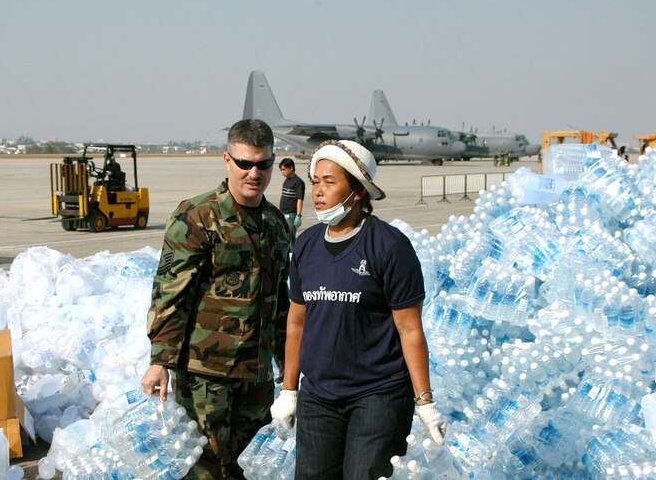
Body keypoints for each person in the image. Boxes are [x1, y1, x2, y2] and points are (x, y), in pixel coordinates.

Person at [269, 140, 446, 479]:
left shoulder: (389, 246)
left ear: (359, 190)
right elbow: (296, 322)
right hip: (319, 396)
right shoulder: (306, 245)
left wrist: (424, 401)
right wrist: (289, 390)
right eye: (316, 181)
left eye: (330, 182)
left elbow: (409, 329)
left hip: (377, 396)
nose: (318, 191)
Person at [141, 119, 291, 479]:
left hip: (256, 375)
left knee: (250, 467)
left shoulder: (276, 224)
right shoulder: (197, 217)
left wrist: (288, 364)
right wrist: (160, 359)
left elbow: (281, 303)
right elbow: (170, 292)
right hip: (205, 374)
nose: (254, 173)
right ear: (227, 160)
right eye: (245, 163)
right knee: (204, 467)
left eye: (263, 164)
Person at [278, 158, 305, 249]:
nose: (282, 172)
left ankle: (292, 258)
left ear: (291, 168)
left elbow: (300, 199)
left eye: (284, 169)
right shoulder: (286, 181)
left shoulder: (298, 182)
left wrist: (298, 215)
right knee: (283, 238)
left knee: (290, 240)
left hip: (290, 215)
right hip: (283, 214)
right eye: (281, 170)